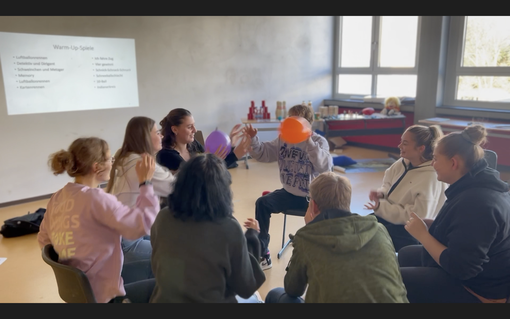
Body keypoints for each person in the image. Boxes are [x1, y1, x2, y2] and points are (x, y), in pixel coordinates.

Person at [37, 137, 159, 303]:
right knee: (170, 281)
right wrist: (145, 182)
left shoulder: (57, 197)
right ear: (97, 167)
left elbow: (44, 239)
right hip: (103, 294)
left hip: (79, 289)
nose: (112, 162)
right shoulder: (97, 198)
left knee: (154, 267)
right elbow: (143, 224)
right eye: (110, 159)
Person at [400, 124, 510, 303]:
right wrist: (435, 225)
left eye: (435, 159)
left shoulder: (477, 203)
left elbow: (462, 268)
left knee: (399, 279)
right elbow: (469, 232)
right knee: (406, 253)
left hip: (482, 291)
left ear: (454, 162)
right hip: (480, 273)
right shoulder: (477, 183)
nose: (432, 164)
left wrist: (422, 234)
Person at [265, 172, 409, 303]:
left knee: (275, 295)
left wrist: (307, 231)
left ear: (313, 206)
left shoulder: (306, 239)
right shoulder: (379, 229)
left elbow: (292, 288)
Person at [150, 154, 265, 303]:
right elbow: (246, 287)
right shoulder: (229, 228)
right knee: (257, 299)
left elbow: (157, 265)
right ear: (222, 191)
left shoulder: (163, 218)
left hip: (165, 299)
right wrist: (252, 236)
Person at [245, 104, 333, 270]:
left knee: (326, 217)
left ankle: (316, 257)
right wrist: (253, 139)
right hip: (288, 193)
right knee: (262, 202)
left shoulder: (319, 141)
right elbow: (263, 153)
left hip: (312, 198)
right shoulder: (283, 140)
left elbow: (325, 167)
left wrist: (308, 142)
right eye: (289, 120)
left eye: (296, 121)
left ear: (307, 124)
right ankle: (263, 253)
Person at [364, 124, 447, 252]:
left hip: (408, 231)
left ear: (421, 148)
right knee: (357, 225)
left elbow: (417, 218)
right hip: (389, 218)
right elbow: (388, 182)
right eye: (401, 141)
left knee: (367, 238)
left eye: (405, 143)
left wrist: (381, 207)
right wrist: (382, 193)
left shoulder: (430, 177)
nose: (399, 146)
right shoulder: (403, 162)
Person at [105, 116, 175, 264]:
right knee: (178, 251)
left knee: (171, 237)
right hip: (127, 241)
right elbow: (175, 187)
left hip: (121, 233)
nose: (161, 135)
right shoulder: (141, 163)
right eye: (157, 133)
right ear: (145, 137)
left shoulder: (123, 156)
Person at [157, 108, 251, 173]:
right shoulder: (166, 155)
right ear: (174, 129)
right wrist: (212, 160)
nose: (195, 130)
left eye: (194, 125)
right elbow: (197, 176)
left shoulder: (193, 144)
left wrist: (231, 146)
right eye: (190, 127)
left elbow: (219, 165)